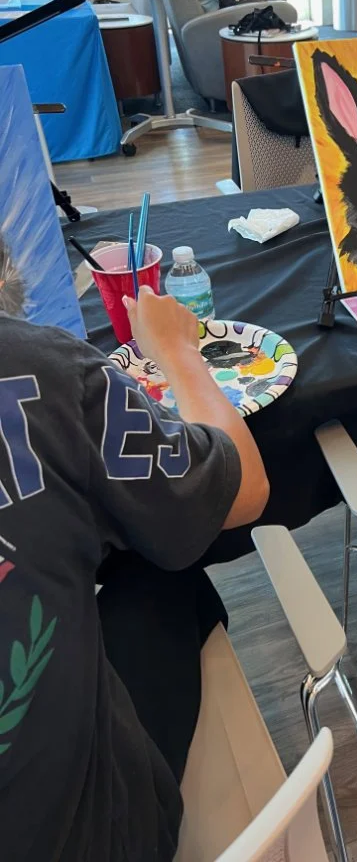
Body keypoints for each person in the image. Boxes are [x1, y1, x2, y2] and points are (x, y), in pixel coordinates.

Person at [0, 286, 269, 860]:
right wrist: (177, 351)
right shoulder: (37, 365)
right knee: (163, 558)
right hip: (99, 835)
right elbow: (244, 488)